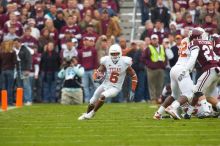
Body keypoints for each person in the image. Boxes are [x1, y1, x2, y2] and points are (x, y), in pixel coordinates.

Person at [166, 28, 220, 119]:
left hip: (210, 70)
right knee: (206, 95)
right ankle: (188, 113)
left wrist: (186, 70)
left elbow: (193, 58)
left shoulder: (194, 43)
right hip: (216, 68)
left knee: (197, 90)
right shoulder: (208, 43)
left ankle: (206, 111)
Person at [78, 44, 137, 120]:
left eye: (116, 53)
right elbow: (99, 71)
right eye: (113, 54)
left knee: (103, 95)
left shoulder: (125, 62)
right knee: (92, 100)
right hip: (105, 84)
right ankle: (87, 115)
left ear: (120, 53)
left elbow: (134, 76)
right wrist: (96, 76)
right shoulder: (106, 60)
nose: (115, 55)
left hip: (115, 87)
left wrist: (133, 89)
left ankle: (92, 113)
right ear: (109, 53)